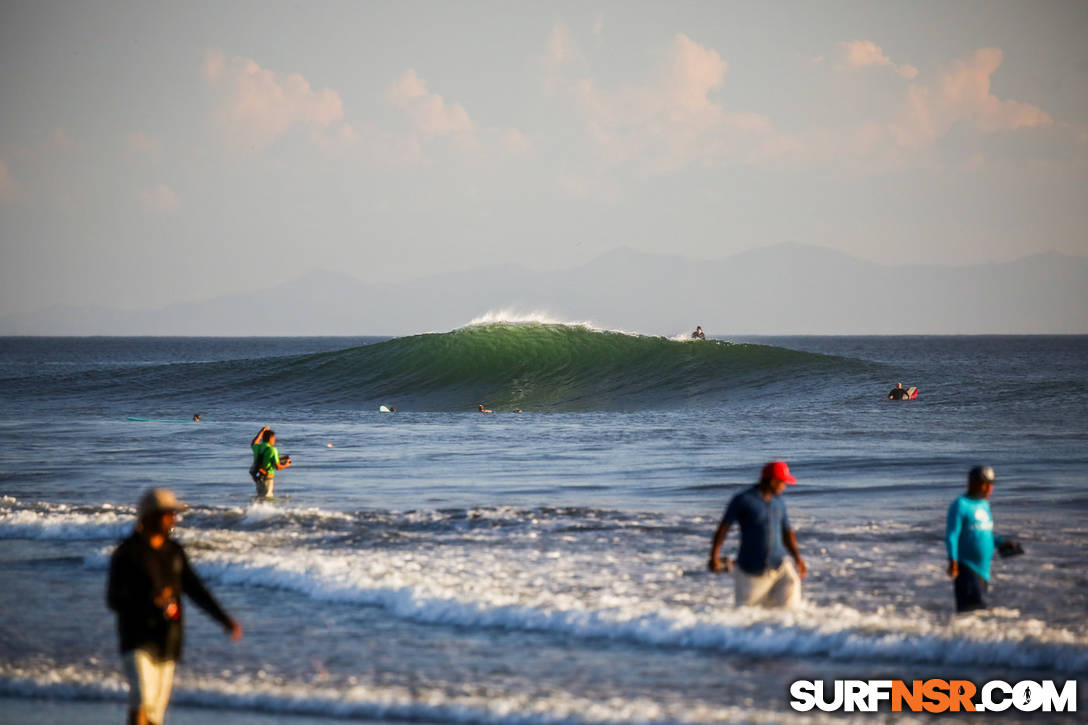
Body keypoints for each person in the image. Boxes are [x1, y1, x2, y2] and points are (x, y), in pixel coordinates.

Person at [107, 488, 241, 725]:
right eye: (167, 514)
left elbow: (195, 589)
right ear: (149, 517)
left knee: (155, 714)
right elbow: (114, 599)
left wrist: (223, 619)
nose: (173, 519)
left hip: (169, 639)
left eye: (173, 514)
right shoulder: (128, 553)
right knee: (141, 700)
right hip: (137, 637)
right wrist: (149, 599)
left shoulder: (174, 552)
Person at [707, 461, 807, 608]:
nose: (784, 486)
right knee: (747, 617)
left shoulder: (779, 502)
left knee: (791, 603)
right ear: (773, 481)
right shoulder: (743, 500)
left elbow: (787, 532)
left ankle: (789, 630)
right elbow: (723, 529)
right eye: (782, 482)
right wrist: (714, 557)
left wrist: (798, 558)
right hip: (751, 571)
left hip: (779, 566)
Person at [945, 465, 1020, 613]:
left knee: (977, 613)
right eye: (984, 484)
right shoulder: (960, 505)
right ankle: (956, 637)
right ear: (972, 483)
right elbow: (952, 535)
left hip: (984, 571)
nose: (988, 489)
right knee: (970, 612)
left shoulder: (984, 505)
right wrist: (952, 560)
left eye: (990, 484)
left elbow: (984, 532)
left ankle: (970, 637)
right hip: (965, 567)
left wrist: (1001, 543)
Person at [249, 425, 291, 498]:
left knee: (260, 499)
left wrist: (261, 431)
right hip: (268, 478)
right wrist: (286, 465)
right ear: (271, 438)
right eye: (274, 438)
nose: (274, 440)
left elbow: (254, 442)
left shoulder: (257, 447)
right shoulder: (273, 449)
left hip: (258, 478)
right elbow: (278, 467)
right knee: (268, 499)